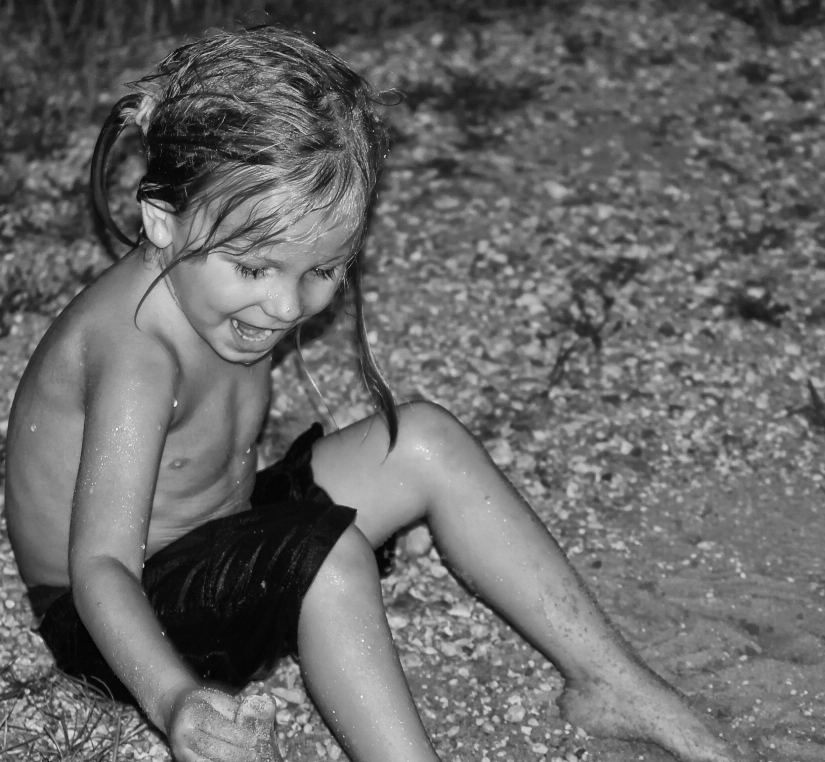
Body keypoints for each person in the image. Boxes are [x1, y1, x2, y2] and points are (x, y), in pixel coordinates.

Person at [4, 26, 742, 762]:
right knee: (327, 556)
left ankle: (611, 682)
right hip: (118, 623)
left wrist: (262, 280)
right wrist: (171, 698)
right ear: (161, 221)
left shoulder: (222, 292)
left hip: (215, 539)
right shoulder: (137, 355)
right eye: (255, 268)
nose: (290, 307)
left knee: (422, 438)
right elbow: (101, 566)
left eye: (323, 271)